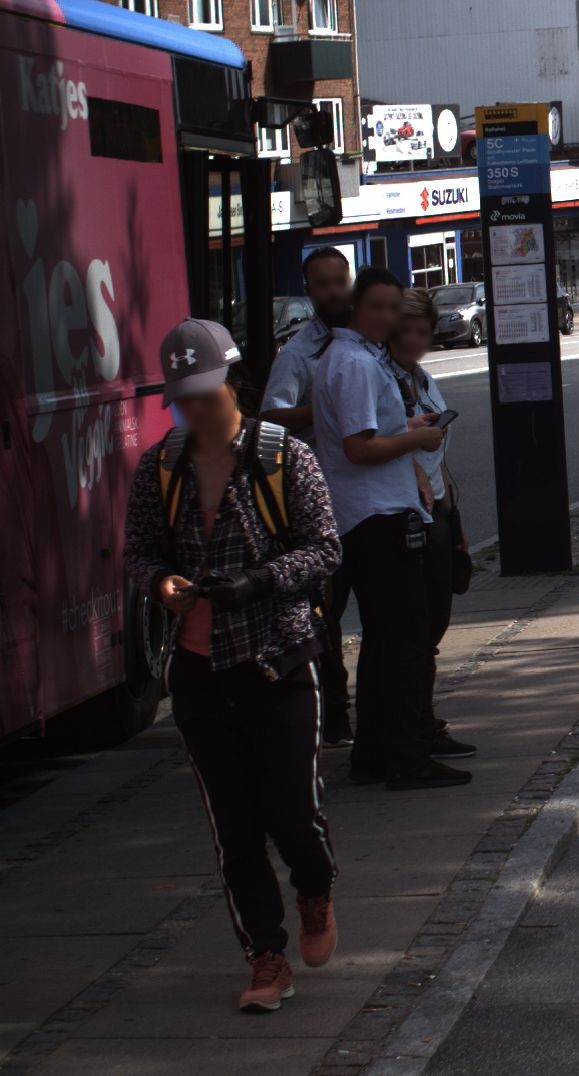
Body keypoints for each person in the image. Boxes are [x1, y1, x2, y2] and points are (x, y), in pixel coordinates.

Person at [123, 319, 342, 1013]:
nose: (195, 409)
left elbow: (325, 549)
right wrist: (162, 583)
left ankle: (314, 887)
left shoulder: (282, 456)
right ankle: (266, 957)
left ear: (233, 382)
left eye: (206, 393)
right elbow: (139, 554)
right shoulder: (161, 468)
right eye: (183, 398)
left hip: (278, 662)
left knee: (293, 813)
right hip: (199, 674)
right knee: (234, 829)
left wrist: (260, 581)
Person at [311, 268, 472, 791]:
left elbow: (366, 433)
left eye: (391, 307)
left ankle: (376, 754)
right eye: (376, 307)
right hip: (374, 514)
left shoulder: (356, 357)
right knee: (401, 641)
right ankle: (404, 757)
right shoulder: (356, 362)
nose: (385, 317)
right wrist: (415, 442)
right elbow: (358, 448)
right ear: (357, 307)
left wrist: (406, 427)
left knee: (385, 641)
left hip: (373, 510)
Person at [262, 248, 356, 747]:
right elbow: (270, 419)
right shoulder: (298, 354)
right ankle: (335, 717)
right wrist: (321, 407)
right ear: (309, 290)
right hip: (325, 507)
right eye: (323, 284)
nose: (334, 291)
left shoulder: (366, 338)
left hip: (372, 499)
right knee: (327, 618)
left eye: (340, 280)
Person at [388, 289, 473, 736]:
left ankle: (422, 717)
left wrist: (454, 519)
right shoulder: (383, 379)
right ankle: (414, 724)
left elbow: (436, 452)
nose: (415, 340)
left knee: (437, 617)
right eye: (406, 330)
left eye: (423, 332)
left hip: (436, 508)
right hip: (405, 513)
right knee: (415, 625)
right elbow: (367, 442)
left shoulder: (421, 379)